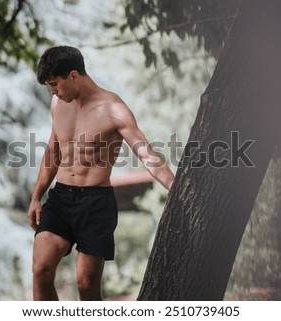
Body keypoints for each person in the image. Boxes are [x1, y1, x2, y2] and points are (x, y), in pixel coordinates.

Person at [27, 46, 174, 301]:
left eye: (54, 84)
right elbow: (53, 152)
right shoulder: (58, 104)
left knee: (86, 285)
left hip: (96, 203)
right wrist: (36, 196)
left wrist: (177, 189)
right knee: (41, 269)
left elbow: (147, 156)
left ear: (73, 76)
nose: (52, 91)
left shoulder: (113, 109)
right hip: (61, 197)